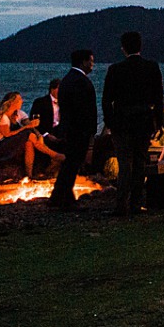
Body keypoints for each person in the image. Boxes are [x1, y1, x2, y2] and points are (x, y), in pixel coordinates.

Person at [102, 30, 164, 217]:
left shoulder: (115, 70)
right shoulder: (152, 67)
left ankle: (122, 204)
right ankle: (136, 203)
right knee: (139, 163)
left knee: (125, 164)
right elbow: (158, 98)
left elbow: (106, 100)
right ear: (140, 47)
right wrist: (158, 123)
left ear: (123, 48)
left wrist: (110, 122)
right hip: (143, 122)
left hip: (122, 122)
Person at [49, 50, 99, 210]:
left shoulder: (67, 80)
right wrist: (90, 130)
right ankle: (63, 200)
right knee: (72, 164)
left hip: (69, 129)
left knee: (69, 164)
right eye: (91, 61)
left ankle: (60, 197)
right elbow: (84, 109)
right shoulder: (81, 82)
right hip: (79, 131)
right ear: (83, 62)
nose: (92, 64)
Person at [0, 91, 62, 180]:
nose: (22, 101)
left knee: (29, 141)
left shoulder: (17, 114)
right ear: (12, 102)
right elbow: (7, 134)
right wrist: (27, 127)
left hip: (6, 143)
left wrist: (38, 135)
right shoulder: (0, 115)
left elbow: (27, 124)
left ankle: (29, 175)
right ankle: (55, 156)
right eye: (19, 99)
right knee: (27, 134)